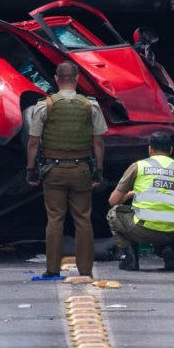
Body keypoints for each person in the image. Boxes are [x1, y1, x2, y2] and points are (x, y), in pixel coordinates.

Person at [26, 61, 107, 278]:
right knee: (83, 219)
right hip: (81, 170)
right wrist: (98, 170)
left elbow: (33, 142)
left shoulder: (45, 106)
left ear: (56, 79)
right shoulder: (91, 106)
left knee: (55, 219)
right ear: (78, 78)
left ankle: (52, 269)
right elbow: (98, 142)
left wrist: (30, 170)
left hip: (53, 171)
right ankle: (86, 271)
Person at [106, 131, 174, 271]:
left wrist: (129, 195)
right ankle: (167, 249)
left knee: (113, 213)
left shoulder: (138, 166)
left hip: (141, 229)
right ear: (170, 150)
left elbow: (113, 201)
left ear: (150, 149)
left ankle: (130, 258)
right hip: (171, 233)